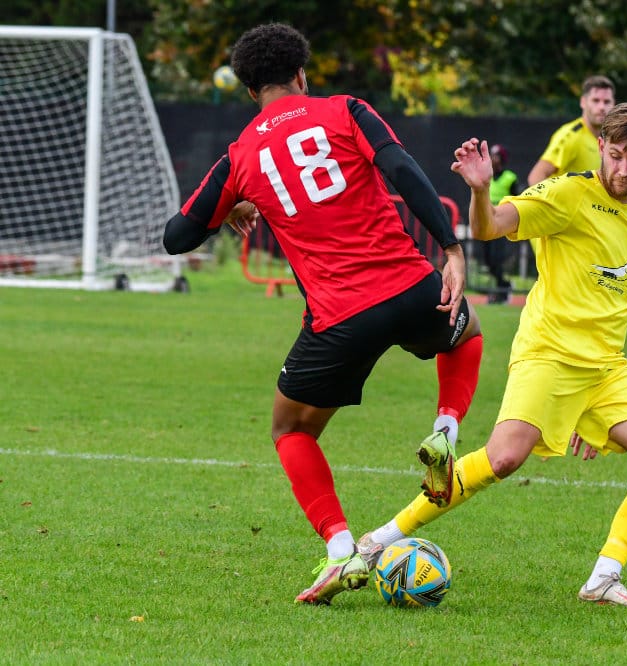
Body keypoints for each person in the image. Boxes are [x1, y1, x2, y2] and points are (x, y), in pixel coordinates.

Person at [161, 23, 483, 606]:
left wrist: (229, 205)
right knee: (466, 334)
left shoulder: (239, 155)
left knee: (291, 429)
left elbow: (177, 237)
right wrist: (451, 248)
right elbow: (403, 170)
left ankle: (339, 550)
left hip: (339, 318)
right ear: (301, 74)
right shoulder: (346, 110)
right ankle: (445, 431)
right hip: (410, 286)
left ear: (249, 90)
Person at [358, 101, 627, 608]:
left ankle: (604, 578)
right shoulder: (567, 194)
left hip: (605, 368)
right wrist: (479, 190)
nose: (623, 169)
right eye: (616, 155)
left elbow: (609, 308)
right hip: (549, 355)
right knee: (504, 458)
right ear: (601, 146)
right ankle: (381, 538)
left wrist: (583, 411)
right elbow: (489, 227)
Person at [526, 75, 616, 186]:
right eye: (595, 101)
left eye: (607, 102)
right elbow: (536, 176)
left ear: (613, 104)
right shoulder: (570, 136)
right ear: (583, 102)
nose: (602, 107)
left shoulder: (610, 139)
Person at [482, 143, 521, 303]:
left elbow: (516, 199)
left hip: (501, 223)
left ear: (502, 159)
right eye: (491, 155)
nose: (493, 159)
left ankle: (501, 293)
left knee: (496, 258)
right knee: (488, 261)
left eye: (496, 156)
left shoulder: (510, 178)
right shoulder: (487, 176)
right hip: (486, 221)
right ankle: (505, 285)